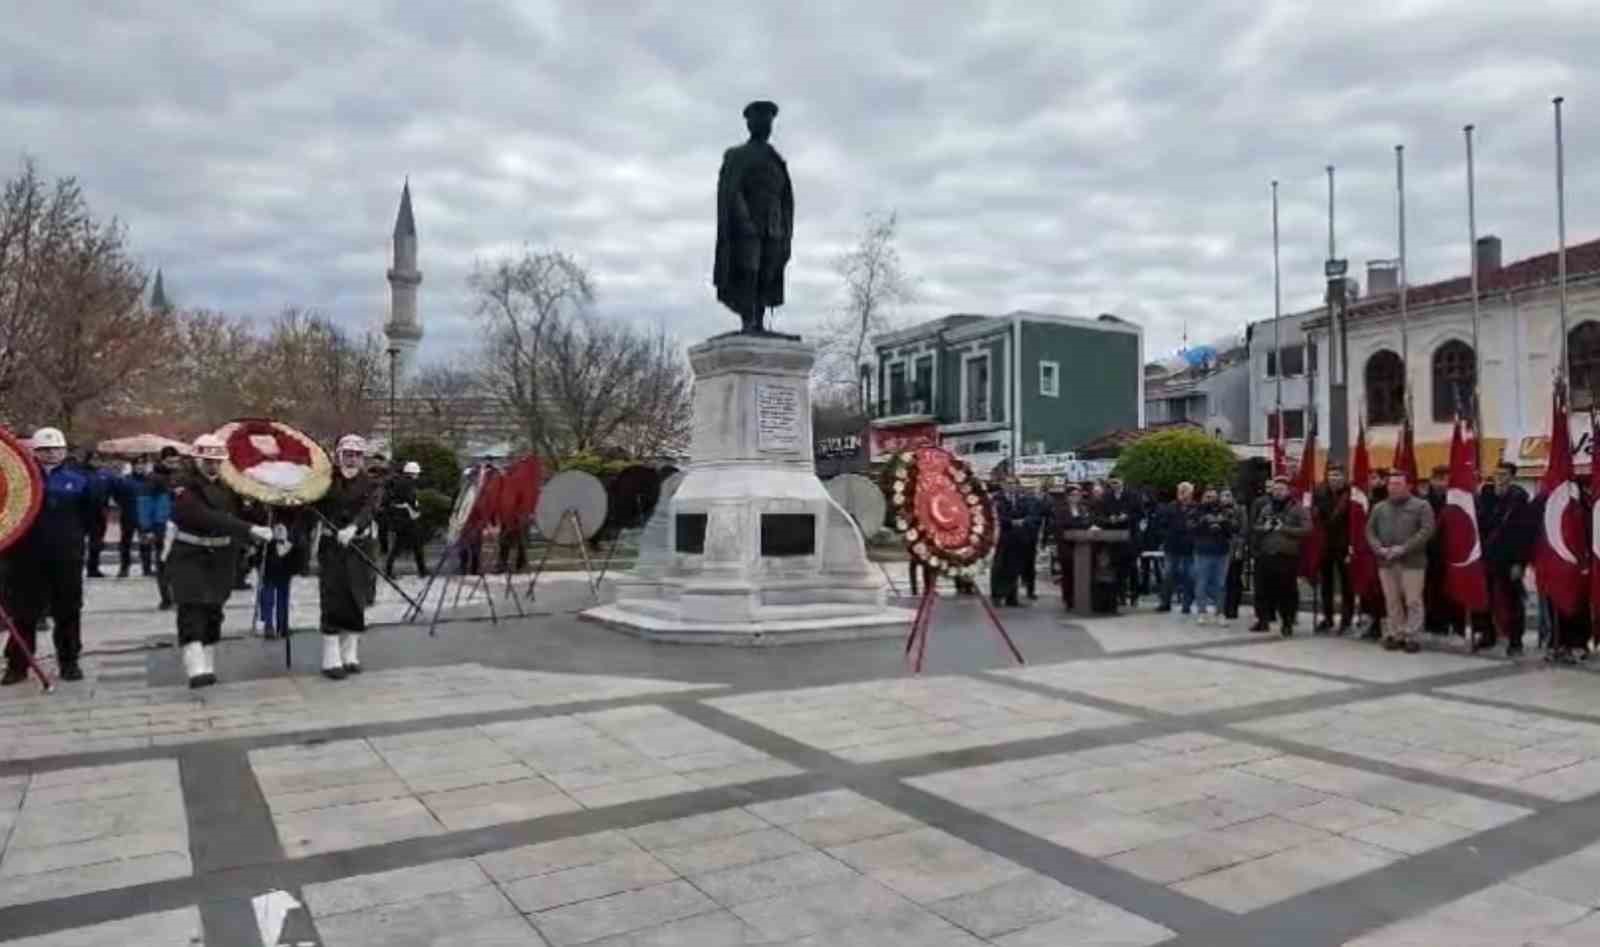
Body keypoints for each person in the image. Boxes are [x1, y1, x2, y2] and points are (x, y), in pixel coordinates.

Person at [166, 434, 272, 688]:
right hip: (190, 554)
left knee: (214, 609)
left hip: (221, 556)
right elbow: (202, 516)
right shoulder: (183, 484)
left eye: (217, 461)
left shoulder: (231, 485)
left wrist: (257, 499)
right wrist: (248, 528)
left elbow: (249, 512)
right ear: (197, 459)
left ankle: (208, 660)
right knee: (191, 608)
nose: (212, 465)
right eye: (207, 460)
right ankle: (194, 664)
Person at [1, 427, 96, 684]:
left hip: (66, 557)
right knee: (23, 613)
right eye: (44, 449)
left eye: (56, 448)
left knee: (68, 610)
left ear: (65, 451)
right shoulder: (22, 480)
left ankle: (69, 661)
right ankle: (18, 665)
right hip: (25, 557)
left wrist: (76, 542)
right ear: (34, 451)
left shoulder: (79, 481)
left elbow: (91, 518)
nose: (51, 453)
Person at [315, 434, 382, 680]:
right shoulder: (325, 481)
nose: (352, 459)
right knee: (332, 596)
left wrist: (354, 527)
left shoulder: (371, 484)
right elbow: (313, 505)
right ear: (339, 455)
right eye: (347, 454)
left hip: (359, 546)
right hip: (332, 548)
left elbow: (369, 509)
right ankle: (331, 657)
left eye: (356, 455)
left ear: (362, 458)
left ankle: (350, 653)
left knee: (356, 596)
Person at [1367, 471, 1436, 653]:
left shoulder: (1422, 506)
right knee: (1392, 600)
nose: (1393, 488)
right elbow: (1370, 532)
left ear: (1408, 486)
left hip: (1412, 562)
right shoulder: (1379, 508)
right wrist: (1379, 548)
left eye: (1398, 484)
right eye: (1391, 484)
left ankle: (1411, 636)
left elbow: (1426, 531)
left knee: (1413, 601)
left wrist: (1403, 548)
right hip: (1386, 562)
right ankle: (1396, 634)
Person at [1476, 461, 1532, 656]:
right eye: (1497, 473)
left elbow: (1525, 534)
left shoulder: (1520, 499)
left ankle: (1515, 641)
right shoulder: (1486, 495)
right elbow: (1478, 524)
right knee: (1485, 599)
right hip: (1486, 557)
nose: (1499, 478)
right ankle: (1487, 635)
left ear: (1512, 477)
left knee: (1513, 601)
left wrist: (1520, 562)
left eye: (1504, 474)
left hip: (1510, 559)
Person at [1251, 475, 1311, 636]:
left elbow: (1307, 530)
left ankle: (1287, 622)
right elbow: (1256, 526)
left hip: (1286, 556)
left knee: (1287, 591)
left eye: (1281, 489)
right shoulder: (1266, 507)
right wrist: (1264, 527)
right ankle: (1262, 620)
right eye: (1275, 489)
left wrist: (1284, 528)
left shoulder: (1298, 507)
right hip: (1266, 554)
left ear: (1288, 490)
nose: (1277, 492)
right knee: (1262, 590)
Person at [1420, 464, 1467, 637]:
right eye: (1437, 479)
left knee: (1455, 593)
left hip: (1453, 554)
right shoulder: (1423, 501)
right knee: (1431, 592)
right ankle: (1435, 627)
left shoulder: (1457, 500)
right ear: (1431, 481)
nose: (1440, 483)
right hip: (1430, 554)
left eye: (1444, 479)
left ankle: (1457, 628)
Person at [1313, 463, 1354, 634]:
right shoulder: (1319, 492)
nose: (1333, 478)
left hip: (1345, 545)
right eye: (1331, 475)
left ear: (1344, 477)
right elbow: (1316, 516)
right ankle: (1328, 618)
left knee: (1347, 585)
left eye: (1337, 475)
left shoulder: (1351, 494)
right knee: (1326, 584)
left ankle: (1346, 619)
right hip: (1325, 545)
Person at [991, 477, 1040, 606]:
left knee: (1015, 568)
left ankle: (1011, 597)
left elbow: (1031, 514)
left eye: (1014, 484)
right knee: (1000, 567)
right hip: (1004, 537)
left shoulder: (1022, 499)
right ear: (1003, 485)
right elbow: (996, 516)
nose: (1011, 486)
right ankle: (997, 595)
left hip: (1019, 537)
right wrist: (1011, 521)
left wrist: (1023, 521)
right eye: (1009, 483)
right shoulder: (997, 499)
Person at [258, 511, 306, 640]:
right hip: (280, 551)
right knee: (280, 592)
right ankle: (280, 625)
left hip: (273, 551)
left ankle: (272, 625)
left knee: (272, 590)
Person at [1191, 487, 1236, 625]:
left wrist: (1224, 522)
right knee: (1201, 583)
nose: (1211, 499)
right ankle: (1202, 612)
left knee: (1221, 584)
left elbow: (1233, 530)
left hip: (1221, 552)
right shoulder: (1196, 511)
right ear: (1203, 498)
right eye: (1208, 496)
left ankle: (1220, 613)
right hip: (1203, 552)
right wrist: (1204, 521)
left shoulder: (1225, 511)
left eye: (1214, 497)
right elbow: (1191, 528)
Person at [1094, 476, 1142, 607]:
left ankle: (1134, 595)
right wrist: (1110, 519)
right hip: (1114, 537)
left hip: (1130, 535)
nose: (1114, 485)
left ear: (1122, 481)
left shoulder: (1133, 495)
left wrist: (1127, 517)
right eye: (1112, 483)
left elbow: (1140, 514)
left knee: (1132, 568)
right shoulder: (1106, 496)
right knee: (1117, 567)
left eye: (1117, 482)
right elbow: (1099, 516)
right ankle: (1120, 596)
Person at [1358, 468, 1391, 641]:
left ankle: (1385, 627)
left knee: (1383, 591)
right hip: (1369, 551)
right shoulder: (1368, 499)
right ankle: (1372, 624)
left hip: (1385, 550)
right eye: (1371, 478)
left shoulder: (1389, 500)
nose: (1373, 481)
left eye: (1376, 478)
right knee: (1369, 591)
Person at [148, 447, 182, 609]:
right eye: (170, 462)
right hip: (161, 524)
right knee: (164, 562)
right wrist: (146, 527)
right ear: (162, 461)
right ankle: (167, 598)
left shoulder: (182, 476)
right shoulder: (154, 478)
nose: (174, 465)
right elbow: (145, 503)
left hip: (181, 523)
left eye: (176, 461)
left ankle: (178, 595)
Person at [1051, 483, 1095, 610]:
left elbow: (1087, 522)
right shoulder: (1061, 509)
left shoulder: (1084, 509)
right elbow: (1060, 527)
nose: (1076, 497)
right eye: (1073, 495)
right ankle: (1068, 600)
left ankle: (1079, 598)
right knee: (1068, 574)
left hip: (1082, 546)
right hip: (1066, 547)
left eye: (1078, 495)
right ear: (1068, 497)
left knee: (1081, 574)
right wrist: (1077, 523)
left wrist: (1089, 526)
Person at [384, 460, 429, 578]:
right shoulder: (408, 484)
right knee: (416, 545)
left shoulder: (397, 481)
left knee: (399, 546)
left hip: (398, 518)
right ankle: (422, 571)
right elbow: (410, 499)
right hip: (407, 519)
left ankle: (389, 570)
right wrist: (416, 510)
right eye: (417, 473)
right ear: (413, 473)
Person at [1155, 483, 1195, 614]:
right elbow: (1161, 525)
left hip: (1189, 548)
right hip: (1172, 546)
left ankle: (1186, 604)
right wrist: (1167, 535)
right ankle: (1165, 602)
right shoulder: (1170, 507)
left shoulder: (1195, 508)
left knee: (1189, 576)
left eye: (1186, 491)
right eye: (1181, 491)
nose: (1183, 494)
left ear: (1191, 493)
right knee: (1168, 575)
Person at [79, 450, 112, 578]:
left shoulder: (104, 475)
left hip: (100, 512)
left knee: (97, 543)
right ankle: (77, 567)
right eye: (93, 459)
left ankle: (93, 568)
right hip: (83, 512)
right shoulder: (81, 474)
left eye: (98, 459)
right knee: (79, 544)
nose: (96, 462)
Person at [1220, 488, 1248, 621]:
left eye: (1228, 495)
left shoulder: (1240, 510)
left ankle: (1233, 608)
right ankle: (1223, 607)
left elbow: (1243, 531)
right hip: (1221, 549)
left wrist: (1239, 549)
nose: (1226, 498)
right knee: (1223, 580)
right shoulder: (1218, 511)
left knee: (1234, 579)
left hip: (1235, 548)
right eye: (1223, 495)